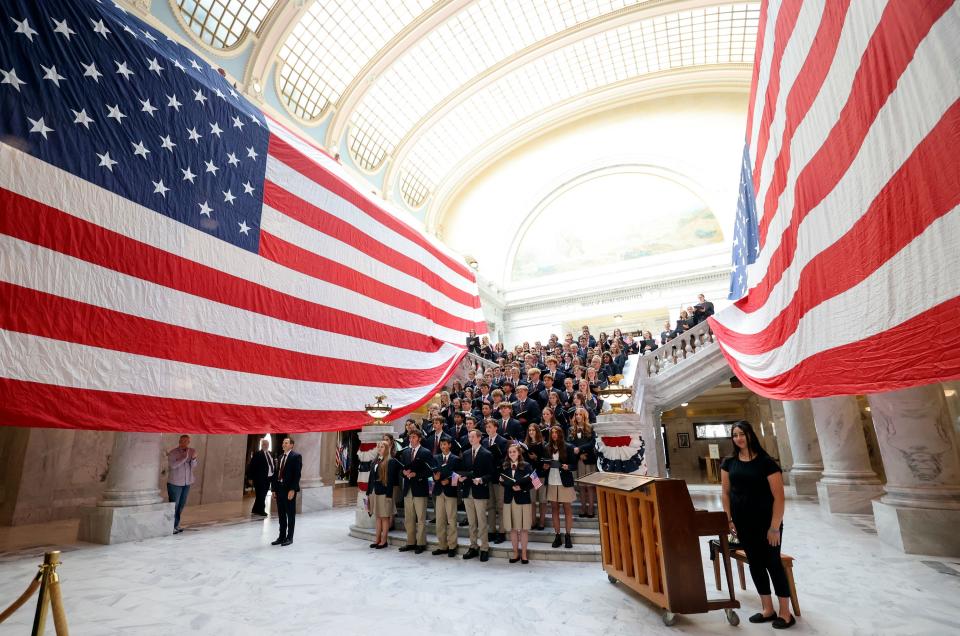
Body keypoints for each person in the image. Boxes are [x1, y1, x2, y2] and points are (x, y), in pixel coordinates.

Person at [721, 421, 794, 629]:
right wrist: (728, 518)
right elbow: (725, 493)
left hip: (767, 523)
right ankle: (767, 609)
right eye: (735, 435)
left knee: (773, 563)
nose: (738, 438)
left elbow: (778, 497)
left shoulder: (766, 463)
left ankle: (785, 613)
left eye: (742, 434)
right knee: (755, 563)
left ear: (750, 435)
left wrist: (774, 526)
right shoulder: (729, 462)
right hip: (743, 523)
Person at [460, 429, 494, 562]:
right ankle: (473, 546)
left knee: (481, 521)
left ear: (479, 438)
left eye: (473, 437)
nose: (470, 439)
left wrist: (482, 479)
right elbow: (465, 471)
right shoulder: (466, 453)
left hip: (480, 491)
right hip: (468, 490)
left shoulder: (486, 454)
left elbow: (491, 474)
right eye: (469, 437)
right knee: (472, 522)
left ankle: (484, 547)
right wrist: (461, 477)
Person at [398, 430, 433, 554]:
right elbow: (402, 468)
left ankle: (421, 543)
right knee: (409, 518)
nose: (411, 439)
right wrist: (403, 473)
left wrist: (416, 474)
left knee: (421, 518)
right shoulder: (406, 452)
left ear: (419, 438)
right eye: (410, 437)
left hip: (420, 487)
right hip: (408, 488)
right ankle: (410, 542)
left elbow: (430, 471)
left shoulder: (425, 452)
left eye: (414, 437)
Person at [543, 426, 576, 549]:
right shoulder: (547, 447)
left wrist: (568, 466)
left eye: (556, 433)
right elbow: (544, 462)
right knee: (554, 509)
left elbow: (574, 465)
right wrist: (545, 467)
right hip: (552, 480)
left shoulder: (568, 447)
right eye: (552, 433)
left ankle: (568, 535)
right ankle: (557, 535)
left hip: (564, 481)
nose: (554, 435)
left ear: (561, 434)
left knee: (567, 509)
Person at [500, 443, 534, 564]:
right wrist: (502, 482)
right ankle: (515, 553)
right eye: (510, 452)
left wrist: (522, 488)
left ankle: (524, 554)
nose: (512, 454)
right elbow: (503, 481)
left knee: (524, 529)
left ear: (519, 453)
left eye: (514, 452)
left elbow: (534, 483)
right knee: (513, 529)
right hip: (509, 500)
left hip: (523, 499)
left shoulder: (527, 465)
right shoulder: (504, 466)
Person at [431, 437, 460, 557]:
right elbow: (432, 473)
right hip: (439, 491)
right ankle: (442, 545)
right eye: (441, 444)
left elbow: (458, 475)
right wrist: (435, 478)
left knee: (452, 520)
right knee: (440, 520)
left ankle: (452, 546)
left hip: (450, 492)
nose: (442, 446)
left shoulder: (456, 459)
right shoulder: (436, 458)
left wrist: (449, 481)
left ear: (450, 445)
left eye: (444, 444)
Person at [367, 440, 397, 549]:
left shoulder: (390, 461)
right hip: (375, 492)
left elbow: (390, 481)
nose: (379, 448)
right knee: (378, 517)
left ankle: (383, 541)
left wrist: (389, 496)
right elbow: (371, 478)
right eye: (378, 446)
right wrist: (368, 493)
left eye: (382, 447)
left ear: (387, 449)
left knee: (384, 518)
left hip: (385, 494)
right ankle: (377, 540)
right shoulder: (375, 461)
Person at [166, 434, 198, 534]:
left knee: (181, 505)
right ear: (179, 441)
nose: (184, 443)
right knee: (174, 505)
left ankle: (176, 525)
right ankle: (170, 526)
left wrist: (193, 459)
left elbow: (194, 466)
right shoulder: (173, 452)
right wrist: (184, 458)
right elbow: (173, 466)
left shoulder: (192, 451)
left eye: (186, 441)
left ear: (189, 442)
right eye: (182, 441)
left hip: (187, 482)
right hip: (175, 483)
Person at [483, 419, 509, 544]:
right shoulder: (483, 441)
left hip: (499, 477)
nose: (488, 429)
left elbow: (505, 460)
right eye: (486, 427)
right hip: (488, 477)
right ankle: (492, 531)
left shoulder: (503, 441)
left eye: (490, 427)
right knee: (490, 505)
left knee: (500, 505)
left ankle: (502, 532)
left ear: (496, 428)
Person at [272, 437, 301, 546]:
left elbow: (297, 475)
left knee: (290, 514)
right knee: (281, 514)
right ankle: (281, 536)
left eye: (286, 443)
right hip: (279, 489)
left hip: (289, 490)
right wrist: (274, 489)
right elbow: (276, 474)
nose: (283, 444)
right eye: (283, 442)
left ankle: (289, 537)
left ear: (291, 445)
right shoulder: (280, 457)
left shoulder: (296, 456)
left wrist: (293, 489)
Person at [569, 409, 597, 518]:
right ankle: (583, 507)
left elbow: (592, 443)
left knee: (589, 486)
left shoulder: (591, 427)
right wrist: (578, 454)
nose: (578, 416)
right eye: (576, 415)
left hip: (589, 459)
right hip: (579, 459)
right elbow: (570, 443)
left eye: (580, 414)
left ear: (584, 415)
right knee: (581, 486)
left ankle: (590, 508)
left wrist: (580, 449)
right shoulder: (572, 429)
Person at [522, 423, 548, 530]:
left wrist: (536, 458)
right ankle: (533, 521)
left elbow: (546, 461)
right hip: (532, 475)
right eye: (529, 430)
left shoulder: (543, 444)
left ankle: (541, 522)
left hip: (540, 474)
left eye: (533, 430)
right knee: (532, 500)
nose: (531, 432)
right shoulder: (526, 445)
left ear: (537, 431)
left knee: (542, 500)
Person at [245, 438, 274, 517]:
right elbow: (252, 466)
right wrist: (250, 478)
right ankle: (261, 510)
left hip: (268, 478)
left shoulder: (270, 454)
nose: (266, 446)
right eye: (264, 444)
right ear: (262, 445)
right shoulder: (257, 454)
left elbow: (271, 465)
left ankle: (255, 509)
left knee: (261, 495)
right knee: (261, 495)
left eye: (267, 444)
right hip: (260, 478)